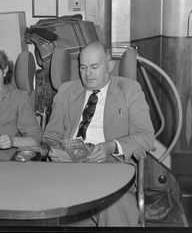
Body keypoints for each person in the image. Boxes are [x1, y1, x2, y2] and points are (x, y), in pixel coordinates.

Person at [43, 41, 155, 226]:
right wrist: (56, 150)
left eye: (94, 67)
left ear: (110, 66)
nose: (87, 73)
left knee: (113, 206)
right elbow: (51, 135)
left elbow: (145, 136)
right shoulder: (66, 91)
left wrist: (111, 146)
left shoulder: (130, 90)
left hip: (111, 169)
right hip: (68, 167)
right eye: (83, 67)